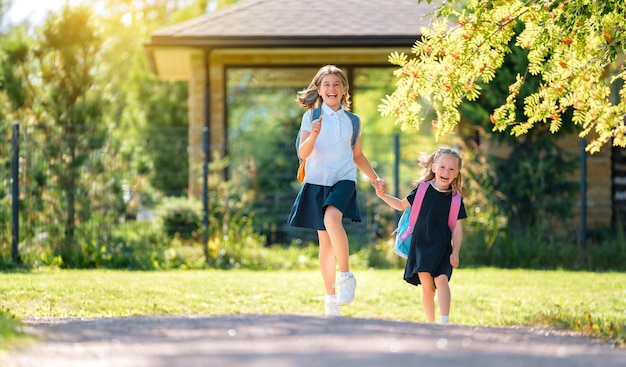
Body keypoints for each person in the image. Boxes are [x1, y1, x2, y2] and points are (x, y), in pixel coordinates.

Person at [288, 65, 383, 317]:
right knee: (325, 245)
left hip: (343, 179)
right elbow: (303, 153)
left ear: (344, 90)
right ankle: (330, 300)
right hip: (317, 181)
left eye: (336, 84)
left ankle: (346, 276)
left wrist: (375, 178)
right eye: (327, 84)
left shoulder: (353, 120)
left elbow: (358, 155)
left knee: (332, 218)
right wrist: (314, 135)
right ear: (319, 89)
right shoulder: (311, 117)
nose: (332, 88)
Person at [375, 147, 467, 324]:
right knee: (427, 286)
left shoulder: (455, 198)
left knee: (441, 280)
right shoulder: (422, 190)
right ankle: (431, 324)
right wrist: (382, 195)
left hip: (442, 248)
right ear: (433, 167)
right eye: (442, 167)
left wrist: (455, 252)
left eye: (451, 169)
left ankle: (444, 322)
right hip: (421, 247)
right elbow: (402, 205)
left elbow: (457, 228)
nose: (446, 172)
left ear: (457, 173)